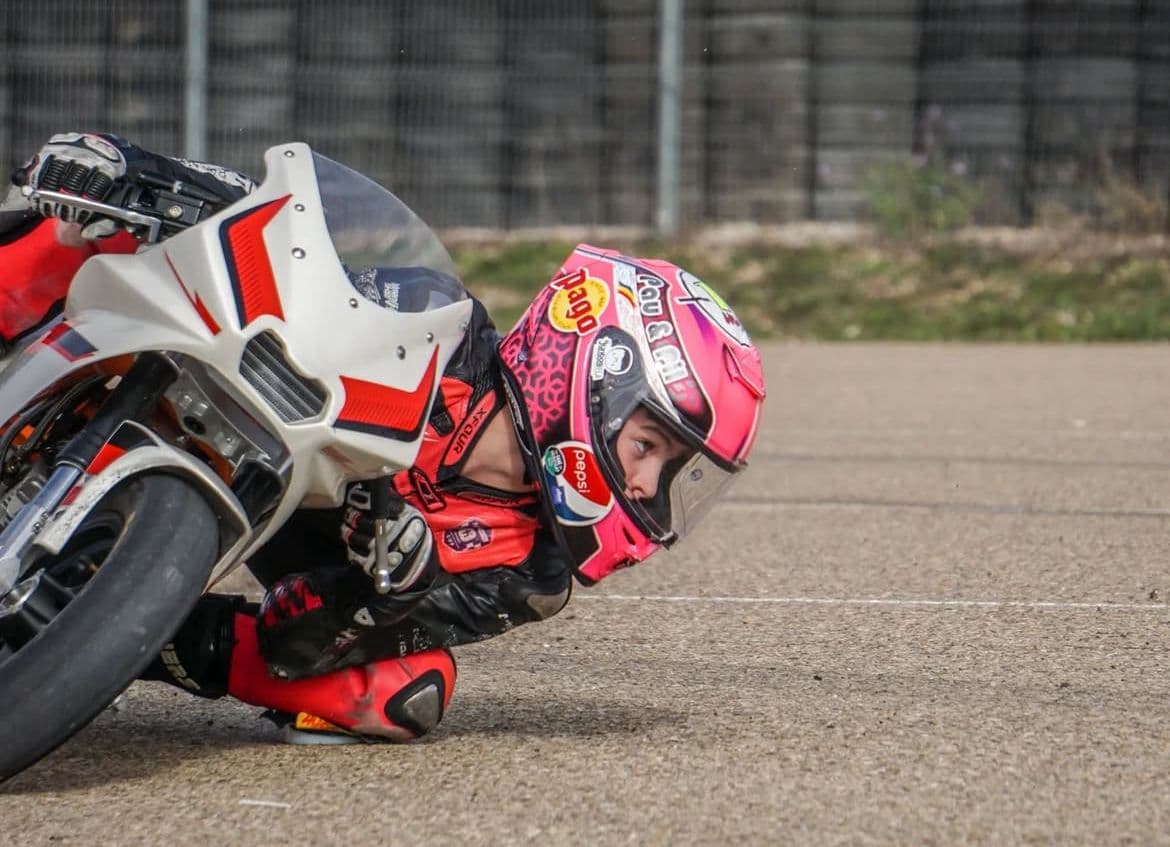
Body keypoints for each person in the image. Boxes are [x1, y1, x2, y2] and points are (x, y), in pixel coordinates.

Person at [1, 132, 767, 743]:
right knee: (91, 221)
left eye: (670, 472)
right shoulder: (436, 323)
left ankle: (104, 638)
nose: (645, 488)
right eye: (649, 447)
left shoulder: (526, 574)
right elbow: (285, 249)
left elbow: (301, 642)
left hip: (291, 534)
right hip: (239, 412)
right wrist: (154, 180)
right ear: (595, 372)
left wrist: (387, 596)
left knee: (405, 690)